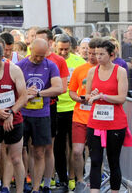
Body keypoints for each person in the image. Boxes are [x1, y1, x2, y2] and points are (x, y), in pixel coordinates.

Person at [17, 39, 63, 193]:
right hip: (22, 114)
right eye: (36, 55)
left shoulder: (50, 65)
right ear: (30, 49)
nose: (39, 59)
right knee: (20, 151)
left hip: (42, 115)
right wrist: (24, 94)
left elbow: (58, 88)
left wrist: (38, 93)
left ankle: (36, 188)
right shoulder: (20, 65)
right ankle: (21, 184)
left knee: (39, 151)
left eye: (42, 56)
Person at [84, 39, 128, 193]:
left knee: (113, 161)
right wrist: (91, 97)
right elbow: (87, 96)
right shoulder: (92, 71)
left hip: (115, 123)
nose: (98, 57)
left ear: (111, 55)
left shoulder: (120, 71)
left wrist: (102, 96)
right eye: (96, 54)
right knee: (95, 160)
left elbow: (121, 98)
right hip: (95, 122)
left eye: (102, 54)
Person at [0, 42, 27, 193]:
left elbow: (24, 96)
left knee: (16, 158)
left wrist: (11, 113)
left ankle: (20, 190)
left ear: (2, 57)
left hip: (13, 119)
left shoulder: (14, 70)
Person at [53, 34, 84, 192]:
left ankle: (73, 178)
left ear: (71, 47)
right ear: (55, 47)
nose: (63, 52)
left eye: (66, 49)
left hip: (74, 108)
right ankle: (62, 179)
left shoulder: (79, 62)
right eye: (60, 49)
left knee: (74, 146)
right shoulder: (52, 60)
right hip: (56, 108)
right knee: (58, 147)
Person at [68, 39, 99, 193]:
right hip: (80, 116)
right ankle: (80, 180)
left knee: (95, 153)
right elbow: (72, 91)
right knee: (77, 151)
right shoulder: (80, 69)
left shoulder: (106, 70)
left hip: (98, 118)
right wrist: (79, 98)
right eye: (90, 53)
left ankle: (94, 181)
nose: (92, 56)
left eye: (95, 54)